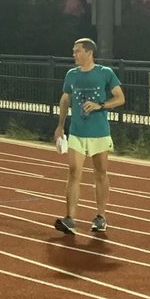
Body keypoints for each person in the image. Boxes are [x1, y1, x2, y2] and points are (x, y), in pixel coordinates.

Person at [53, 37, 125, 235]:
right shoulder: (71, 75)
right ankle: (69, 218)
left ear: (89, 52)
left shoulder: (105, 73)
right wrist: (60, 126)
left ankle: (101, 216)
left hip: (99, 132)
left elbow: (120, 98)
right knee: (74, 171)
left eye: (77, 51)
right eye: (74, 51)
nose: (74, 54)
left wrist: (100, 105)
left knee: (100, 173)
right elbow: (65, 98)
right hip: (77, 131)